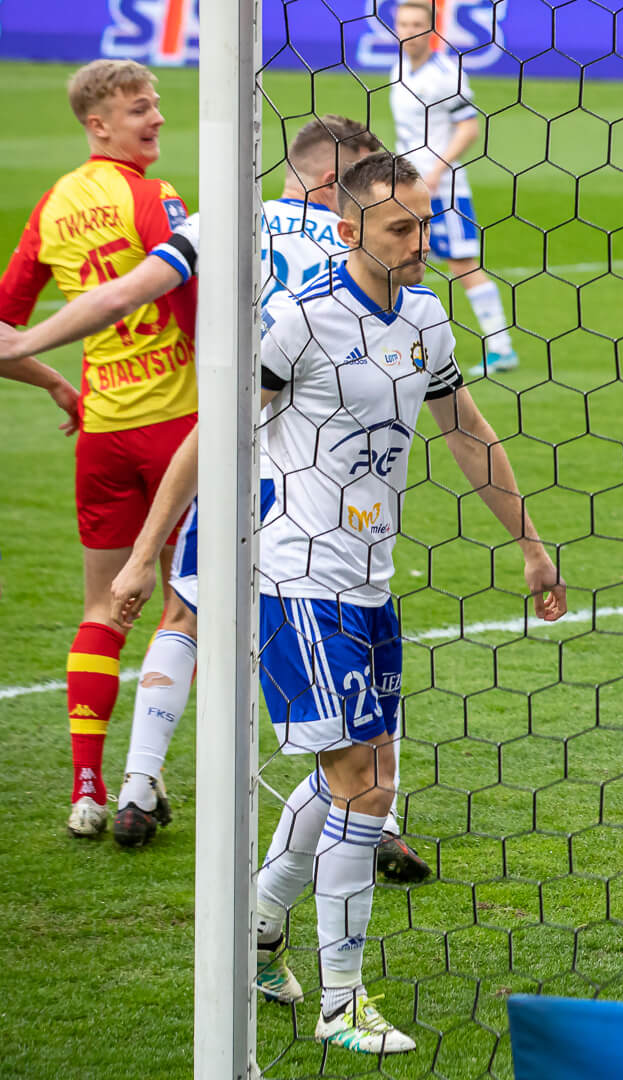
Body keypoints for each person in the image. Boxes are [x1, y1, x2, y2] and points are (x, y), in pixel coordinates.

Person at [109, 151, 565, 1052]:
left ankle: (257, 931)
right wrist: (140, 557)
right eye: (400, 228)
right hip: (297, 578)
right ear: (350, 230)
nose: (419, 240)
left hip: (370, 578)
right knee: (362, 782)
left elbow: (468, 433)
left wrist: (531, 543)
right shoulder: (300, 319)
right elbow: (215, 432)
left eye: (424, 224)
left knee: (360, 776)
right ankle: (341, 1003)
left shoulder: (426, 318)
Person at [0, 117, 432, 881]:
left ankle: (137, 785)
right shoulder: (361, 247)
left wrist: (24, 342)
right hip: (325, 476)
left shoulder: (228, 221)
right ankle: (377, 816)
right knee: (358, 635)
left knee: (186, 611)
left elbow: (125, 293)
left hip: (234, 452)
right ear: (335, 186)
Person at [0, 59, 197, 839]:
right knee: (185, 607)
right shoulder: (153, 197)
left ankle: (85, 787)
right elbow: (188, 297)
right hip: (180, 431)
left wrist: (56, 383)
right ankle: (139, 781)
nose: (156, 118)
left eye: (156, 104)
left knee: (100, 608)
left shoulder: (53, 205)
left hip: (105, 436)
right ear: (98, 123)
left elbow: (5, 329)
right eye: (139, 108)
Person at [390, 0, 519, 377]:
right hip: (405, 186)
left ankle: (501, 347)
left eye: (416, 24)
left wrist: (436, 172)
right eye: (403, 24)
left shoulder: (447, 73)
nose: (408, 32)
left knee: (462, 264)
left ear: (431, 30)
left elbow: (469, 128)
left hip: (443, 188)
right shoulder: (398, 68)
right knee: (396, 259)